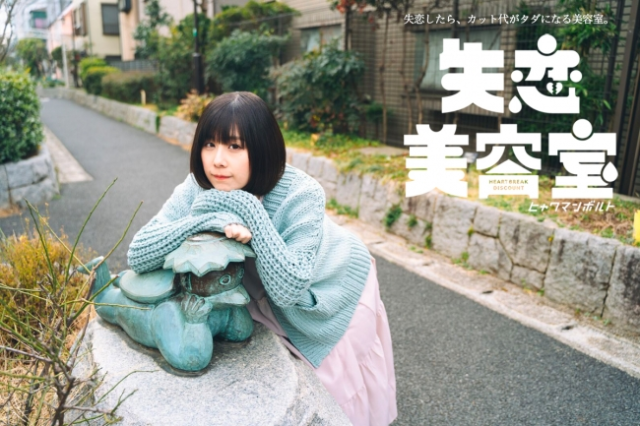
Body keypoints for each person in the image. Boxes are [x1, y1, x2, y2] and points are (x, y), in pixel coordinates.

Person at [127, 92, 397, 425]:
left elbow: (288, 290)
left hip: (332, 287)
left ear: (262, 148)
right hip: (267, 292)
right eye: (209, 144)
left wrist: (247, 209)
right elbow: (138, 253)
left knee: (337, 394)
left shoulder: (302, 193)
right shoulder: (198, 188)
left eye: (234, 146)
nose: (218, 160)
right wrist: (205, 219)